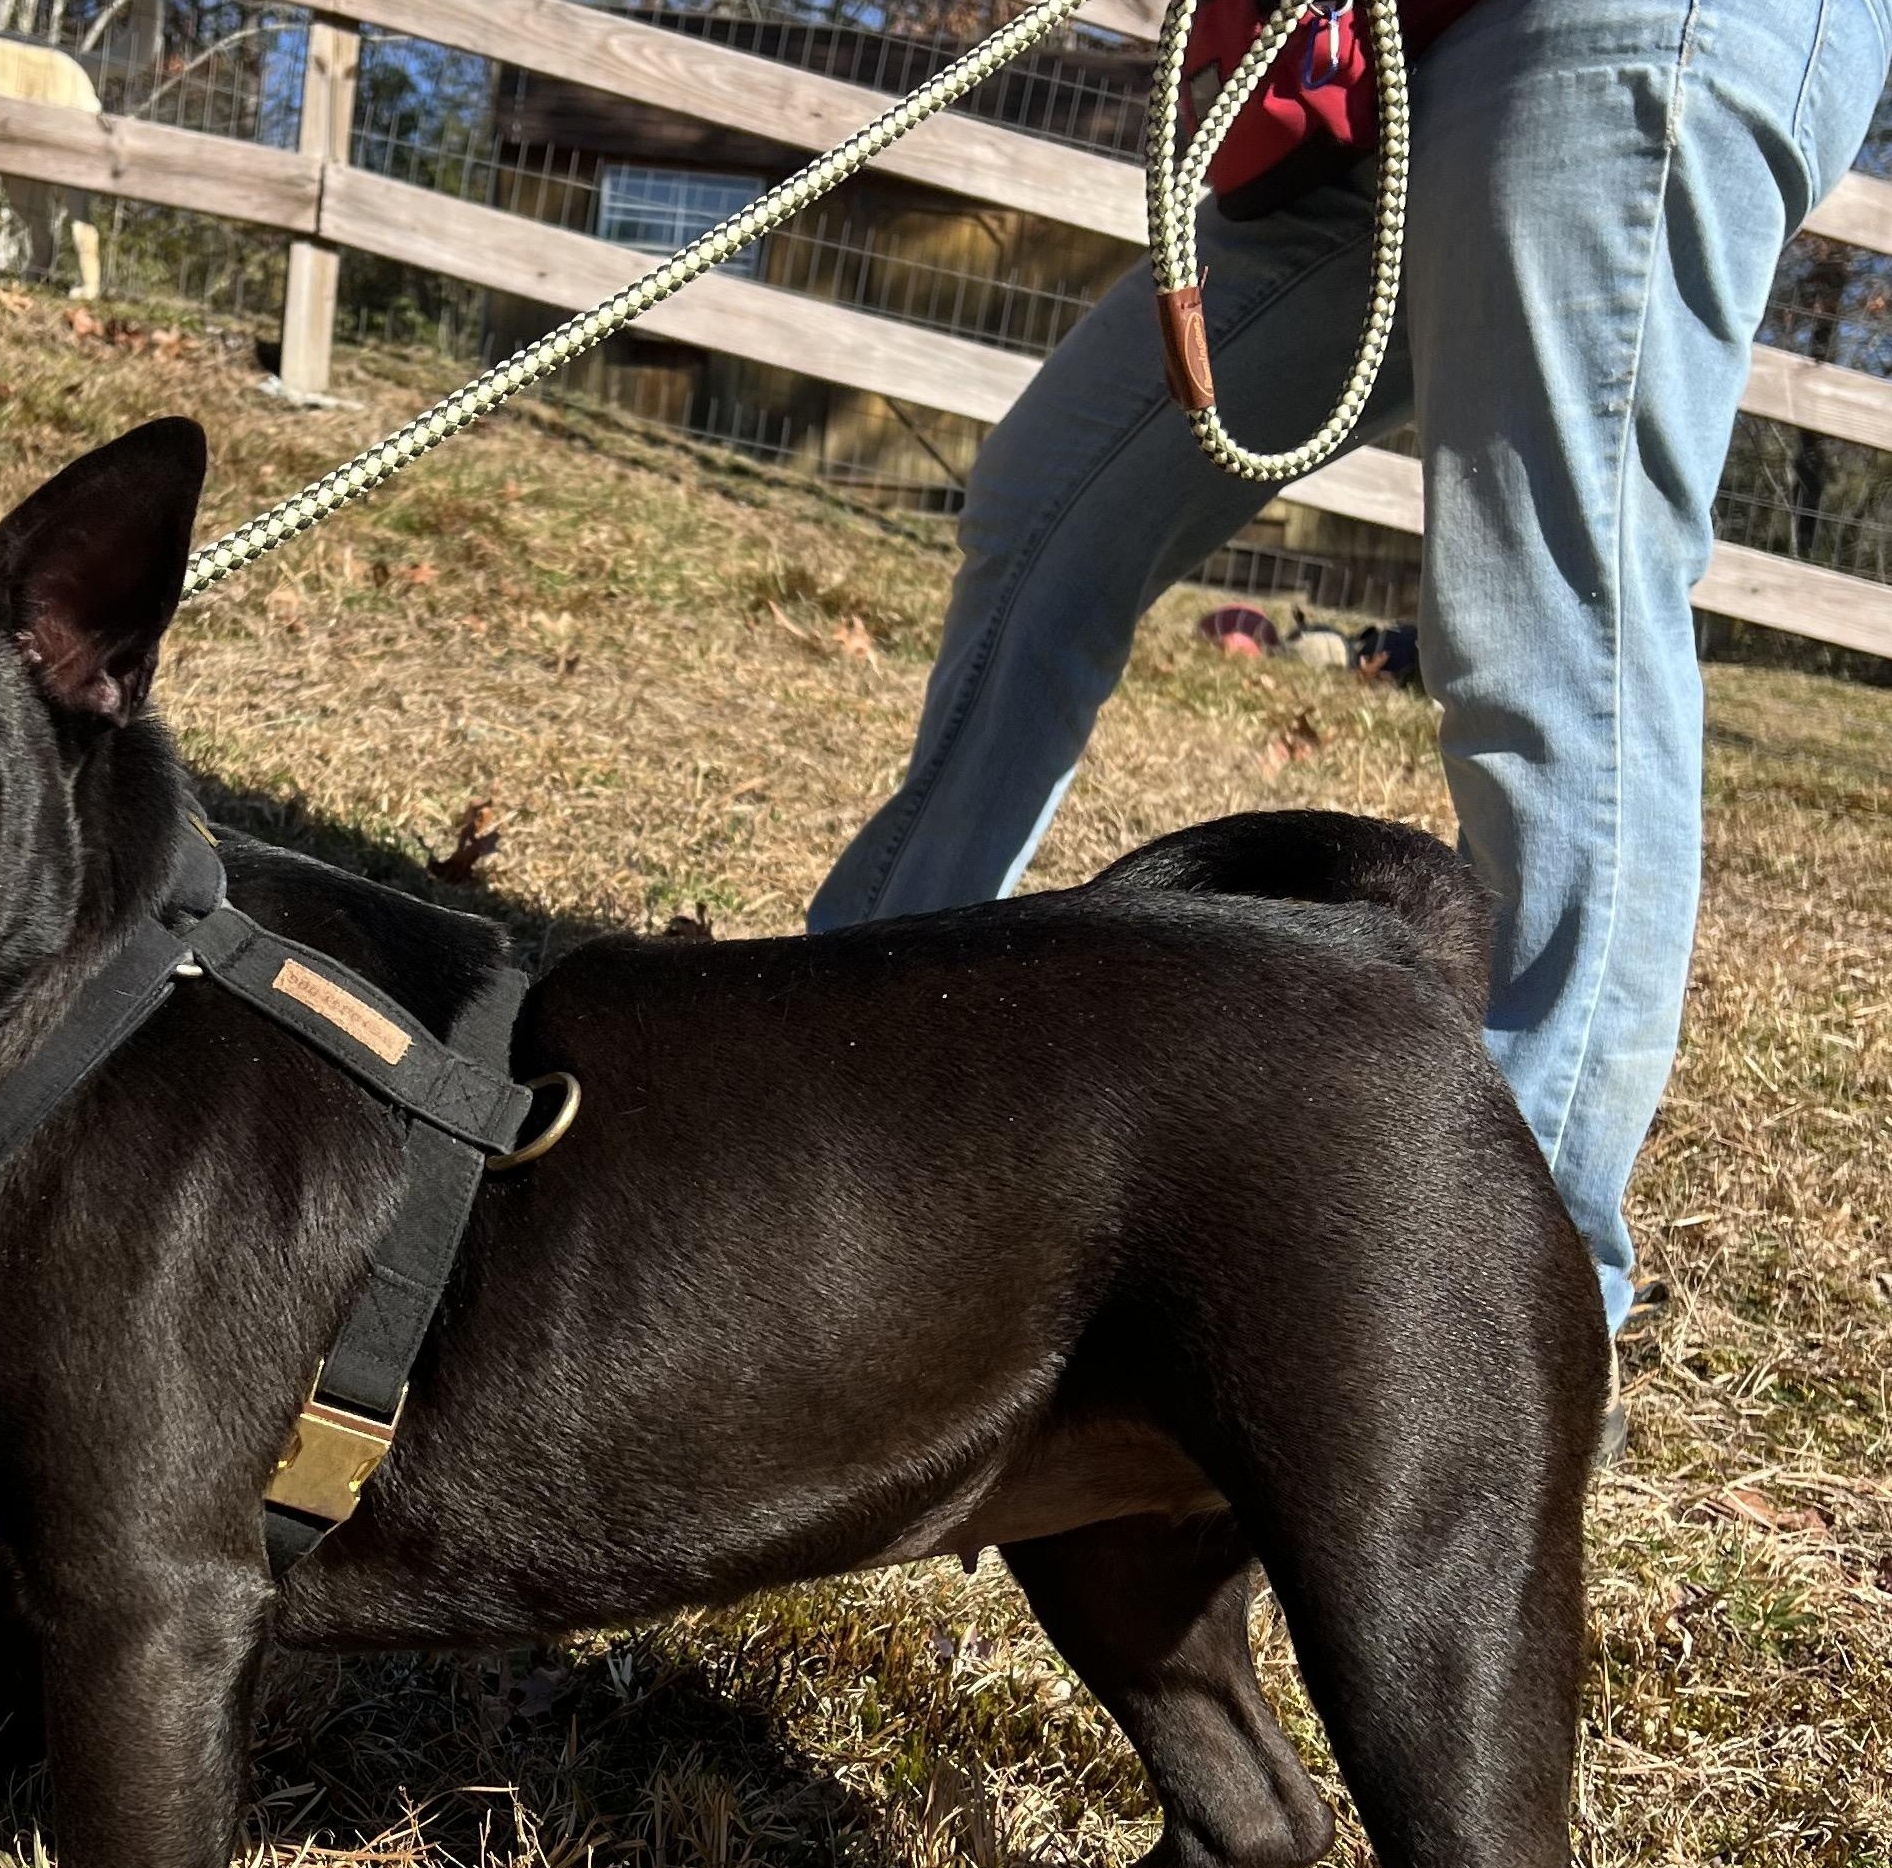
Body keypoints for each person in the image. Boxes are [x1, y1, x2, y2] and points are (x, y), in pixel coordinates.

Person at [810, 0, 1892, 1441]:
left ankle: (1508, 1303)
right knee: (1056, 499)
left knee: (1554, 622)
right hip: (1370, 67)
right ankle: (843, 1043)